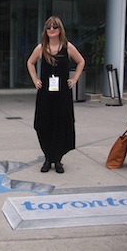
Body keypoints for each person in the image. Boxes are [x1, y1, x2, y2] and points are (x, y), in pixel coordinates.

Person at [27, 16, 85, 173]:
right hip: (45, 93)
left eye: (54, 27)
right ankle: (47, 157)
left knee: (61, 124)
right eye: (48, 27)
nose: (51, 30)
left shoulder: (67, 47)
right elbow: (30, 63)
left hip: (62, 94)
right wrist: (35, 79)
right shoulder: (41, 48)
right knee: (44, 123)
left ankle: (58, 159)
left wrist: (74, 79)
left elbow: (81, 61)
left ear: (60, 29)